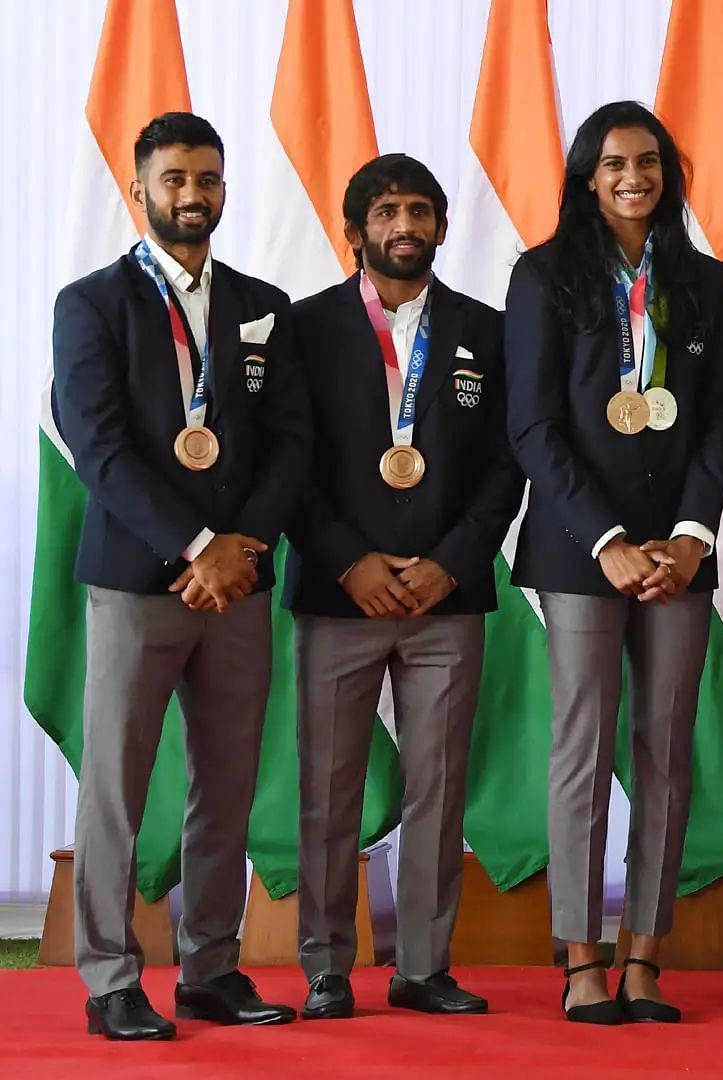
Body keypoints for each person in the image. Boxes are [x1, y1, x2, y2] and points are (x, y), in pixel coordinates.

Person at [52, 111, 305, 1039]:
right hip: (137, 581)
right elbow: (99, 447)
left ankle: (210, 968)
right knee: (116, 786)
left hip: (238, 586)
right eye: (173, 180)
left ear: (225, 190)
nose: (191, 195)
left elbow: (291, 444)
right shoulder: (90, 304)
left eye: (206, 179)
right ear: (140, 191)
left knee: (228, 783)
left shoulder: (261, 304)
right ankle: (112, 980)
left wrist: (242, 549)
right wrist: (198, 544)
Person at [505, 100, 723, 1025]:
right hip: (579, 553)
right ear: (586, 177)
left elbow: (718, 419)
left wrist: (688, 535)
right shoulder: (544, 273)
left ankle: (645, 954)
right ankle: (579, 959)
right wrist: (607, 541)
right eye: (612, 163)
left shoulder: (705, 280)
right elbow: (531, 423)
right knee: (582, 752)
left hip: (678, 552)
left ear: (667, 175)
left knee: (667, 753)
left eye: (647, 161)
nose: (632, 176)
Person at [281, 154, 521, 1021]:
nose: (403, 225)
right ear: (354, 232)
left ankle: (424, 967)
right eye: (385, 212)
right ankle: (325, 968)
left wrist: (452, 560)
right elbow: (286, 466)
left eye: (419, 210)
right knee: (329, 788)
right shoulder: (301, 330)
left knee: (439, 785)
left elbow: (506, 466)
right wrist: (350, 560)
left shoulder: (487, 332)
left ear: (443, 227)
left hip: (445, 598)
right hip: (339, 593)